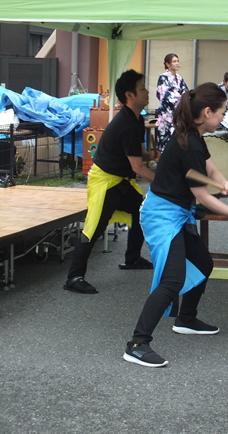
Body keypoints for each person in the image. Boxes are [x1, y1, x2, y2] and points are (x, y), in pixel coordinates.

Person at [123, 83, 228, 368]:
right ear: (207, 112)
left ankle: (186, 319)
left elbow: (209, 167)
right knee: (171, 280)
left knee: (203, 263)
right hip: (162, 216)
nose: (224, 118)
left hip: (177, 211)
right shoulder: (189, 144)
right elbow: (203, 197)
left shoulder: (193, 136)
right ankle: (137, 344)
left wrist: (225, 181)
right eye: (222, 113)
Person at [64, 70, 157, 295]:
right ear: (129, 95)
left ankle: (132, 258)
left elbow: (137, 154)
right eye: (142, 88)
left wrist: (154, 155)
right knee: (93, 228)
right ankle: (74, 277)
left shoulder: (137, 118)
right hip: (105, 181)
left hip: (121, 181)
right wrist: (166, 183)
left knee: (141, 212)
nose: (147, 92)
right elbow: (137, 167)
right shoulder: (126, 123)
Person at [155, 53, 189, 153]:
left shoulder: (179, 78)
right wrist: (179, 99)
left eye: (177, 61)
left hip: (178, 116)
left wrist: (182, 100)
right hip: (166, 116)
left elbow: (186, 93)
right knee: (165, 145)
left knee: (177, 144)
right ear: (167, 64)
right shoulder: (163, 78)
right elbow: (164, 96)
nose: (177, 63)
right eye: (174, 61)